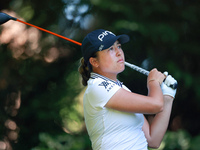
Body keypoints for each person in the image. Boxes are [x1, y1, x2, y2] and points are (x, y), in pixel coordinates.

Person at [78, 29, 177, 150]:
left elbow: (153, 140)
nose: (119, 53)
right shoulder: (97, 86)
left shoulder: (122, 89)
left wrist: (167, 96)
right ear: (94, 61)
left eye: (119, 46)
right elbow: (156, 105)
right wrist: (153, 82)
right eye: (110, 49)